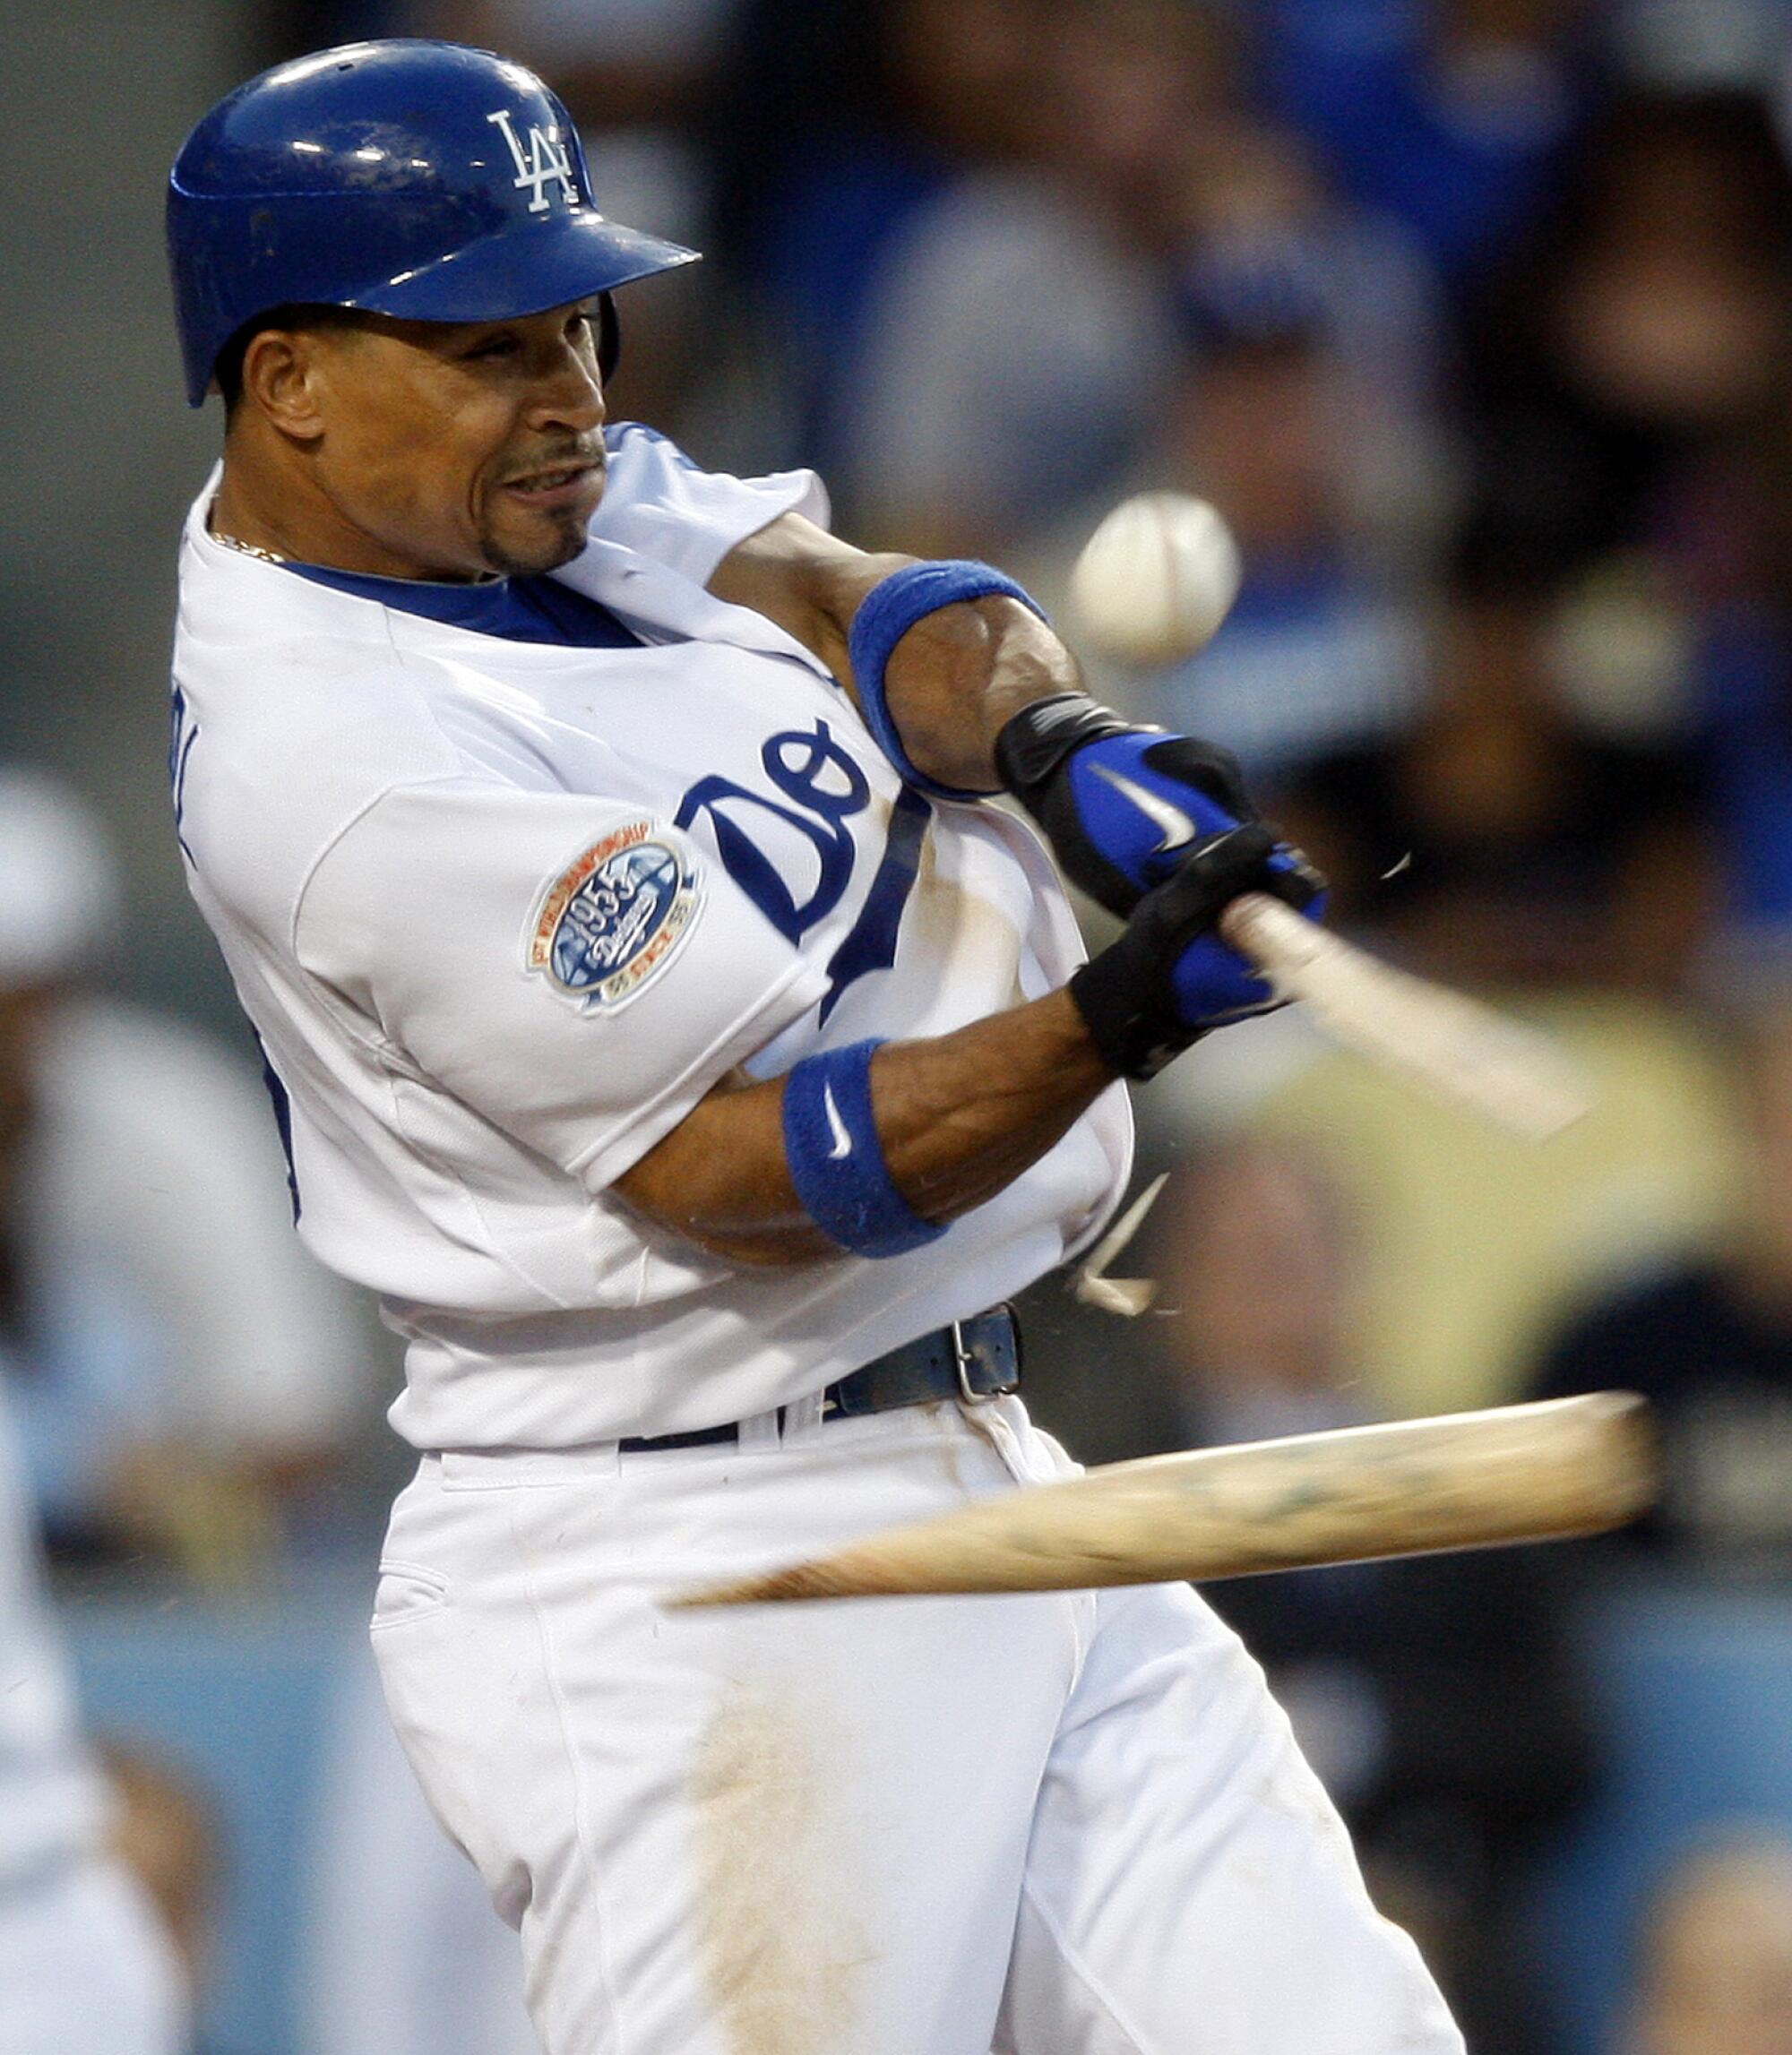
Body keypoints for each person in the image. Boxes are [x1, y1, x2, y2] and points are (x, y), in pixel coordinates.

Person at [162, 39, 1461, 2055]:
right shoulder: (335, 765)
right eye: (493, 345)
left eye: (579, 322)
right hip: (693, 1563)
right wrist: (1113, 1017)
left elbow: (853, 590)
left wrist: (1055, 742)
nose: (574, 394)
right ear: (291, 381)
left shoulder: (520, 497)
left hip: (974, 1464)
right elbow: (757, 1178)